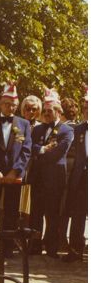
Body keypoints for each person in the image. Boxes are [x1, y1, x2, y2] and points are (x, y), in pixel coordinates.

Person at [0, 82, 32, 257]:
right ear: (0, 104)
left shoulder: (24, 124)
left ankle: (7, 248)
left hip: (12, 176)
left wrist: (15, 171)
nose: (10, 108)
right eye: (7, 104)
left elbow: (26, 151)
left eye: (14, 105)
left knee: (11, 213)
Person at [28, 88, 74, 258]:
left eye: (50, 111)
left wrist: (41, 153)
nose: (46, 114)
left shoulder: (67, 130)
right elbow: (30, 147)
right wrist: (41, 150)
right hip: (38, 178)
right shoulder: (38, 129)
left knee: (52, 214)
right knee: (35, 214)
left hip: (54, 179)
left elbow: (59, 153)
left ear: (58, 112)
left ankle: (52, 247)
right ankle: (35, 245)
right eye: (45, 111)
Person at [62, 92, 87, 262]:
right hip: (81, 177)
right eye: (85, 108)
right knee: (78, 215)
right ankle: (75, 250)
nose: (87, 110)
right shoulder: (78, 129)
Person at [18, 95, 43, 225]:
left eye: (34, 109)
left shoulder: (41, 127)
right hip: (19, 168)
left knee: (31, 208)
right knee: (14, 207)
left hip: (35, 170)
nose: (30, 112)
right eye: (27, 109)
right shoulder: (17, 124)